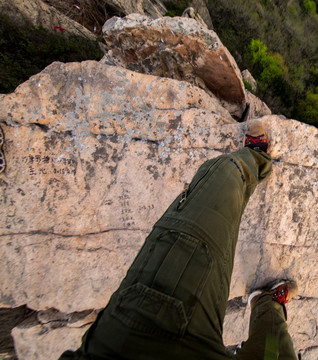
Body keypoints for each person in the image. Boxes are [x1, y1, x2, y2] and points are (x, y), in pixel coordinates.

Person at [59, 120, 298, 359]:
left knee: (226, 172)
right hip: (170, 335)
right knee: (276, 351)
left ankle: (252, 160)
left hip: (146, 336)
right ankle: (269, 307)